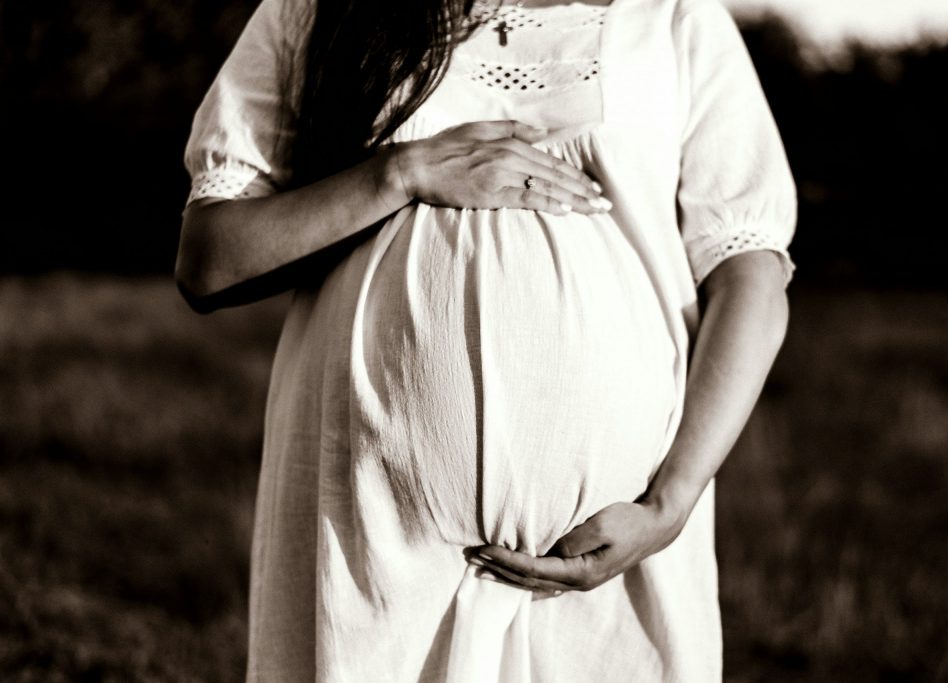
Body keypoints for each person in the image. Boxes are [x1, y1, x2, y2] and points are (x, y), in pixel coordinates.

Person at [176, 0, 797, 679]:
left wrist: (669, 502)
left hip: (617, 552)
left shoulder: (672, 15)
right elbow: (211, 258)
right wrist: (402, 173)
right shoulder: (321, 9)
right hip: (374, 539)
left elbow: (749, 274)